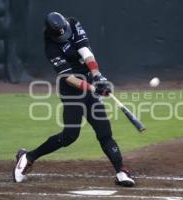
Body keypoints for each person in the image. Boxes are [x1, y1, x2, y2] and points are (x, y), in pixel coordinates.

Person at [13, 12, 135, 187]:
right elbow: (69, 78)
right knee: (70, 136)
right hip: (72, 92)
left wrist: (97, 76)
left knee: (104, 133)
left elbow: (86, 52)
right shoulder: (51, 48)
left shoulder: (73, 24)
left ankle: (121, 172)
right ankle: (29, 156)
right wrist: (95, 89)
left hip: (89, 81)